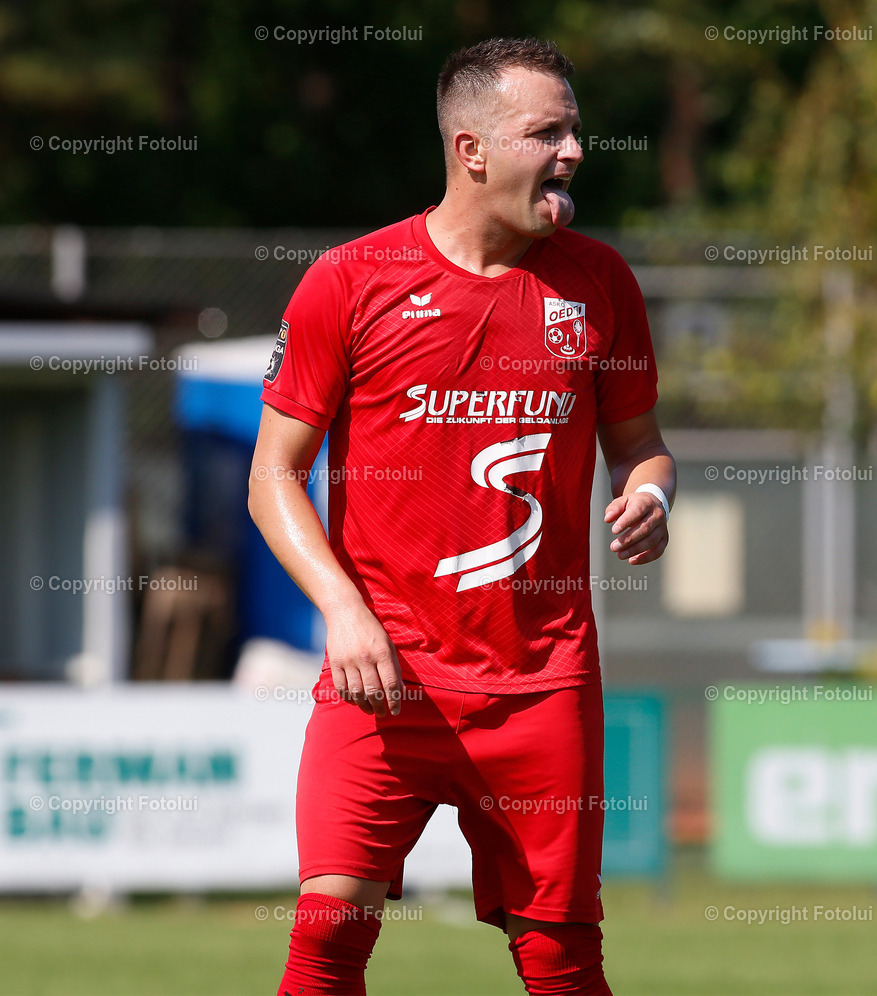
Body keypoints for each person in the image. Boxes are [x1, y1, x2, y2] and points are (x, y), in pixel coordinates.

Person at [249, 35, 675, 996]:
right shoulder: (349, 280)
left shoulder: (601, 284)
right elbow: (272, 476)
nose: (573, 152)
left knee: (561, 964)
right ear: (471, 150)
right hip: (383, 677)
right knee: (326, 938)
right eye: (548, 133)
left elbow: (642, 446)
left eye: (575, 131)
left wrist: (651, 493)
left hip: (542, 683)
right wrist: (344, 611)